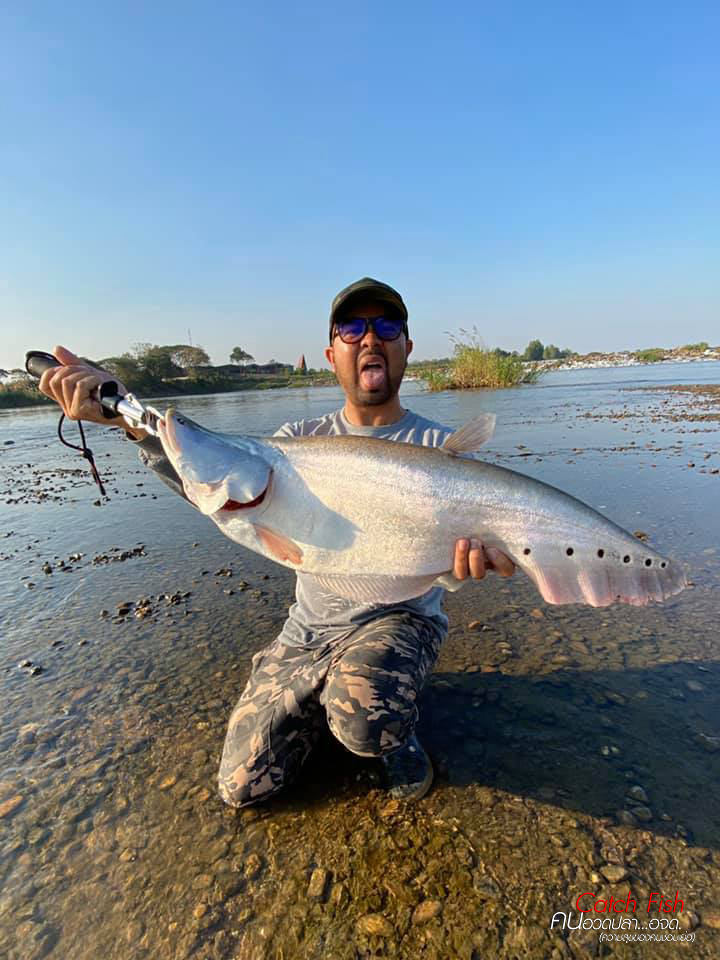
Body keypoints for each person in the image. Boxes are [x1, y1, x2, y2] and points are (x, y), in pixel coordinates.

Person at [39, 277, 515, 805]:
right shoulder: (292, 445)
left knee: (368, 720)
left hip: (400, 620)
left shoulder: (437, 449)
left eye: (387, 325)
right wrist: (131, 421)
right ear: (332, 354)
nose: (370, 338)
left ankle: (388, 737)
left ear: (407, 346)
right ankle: (306, 690)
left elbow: (453, 559)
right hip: (309, 630)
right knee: (243, 787)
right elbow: (212, 478)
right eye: (353, 328)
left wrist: (476, 561)